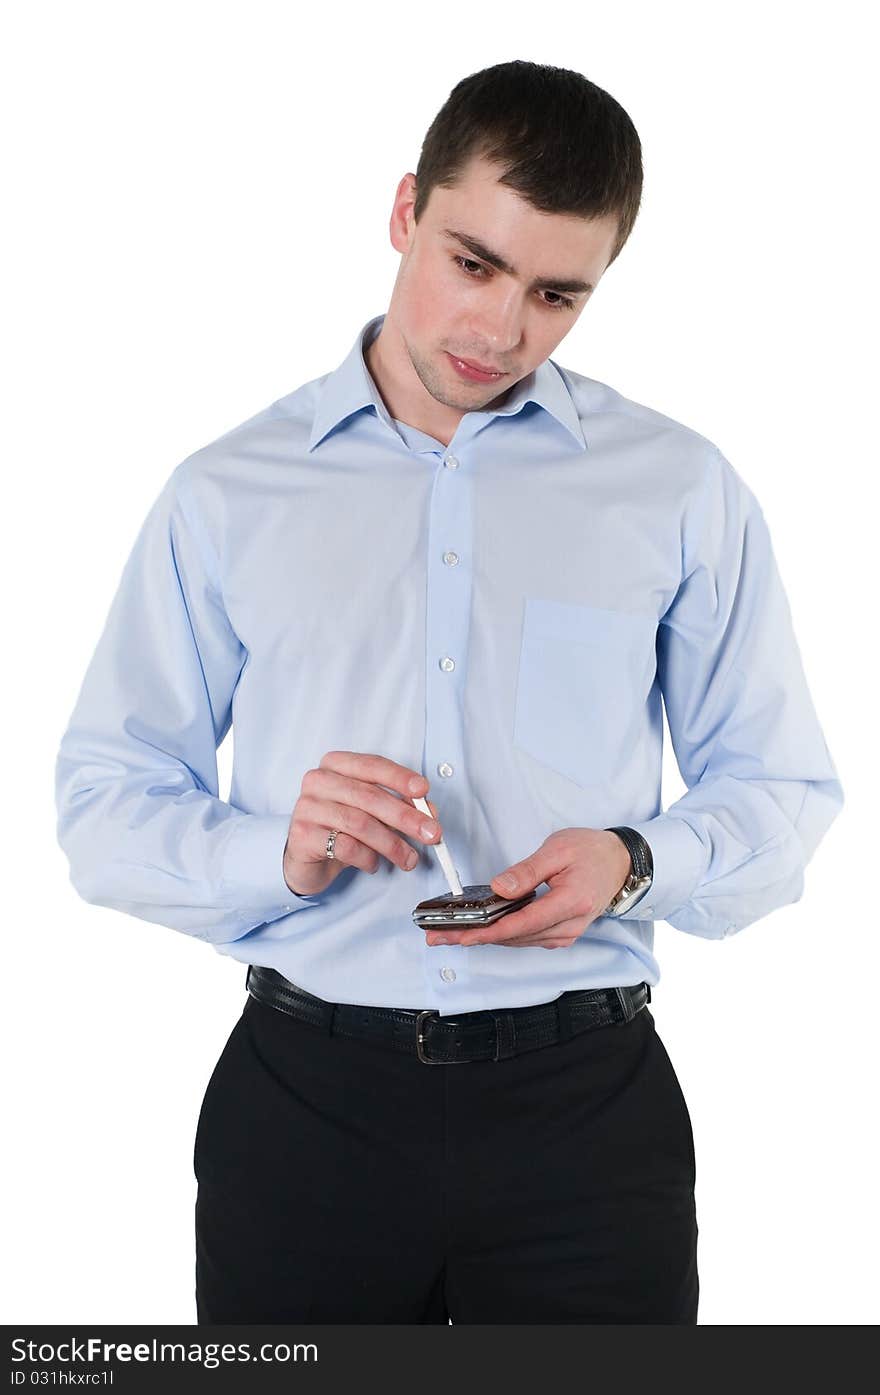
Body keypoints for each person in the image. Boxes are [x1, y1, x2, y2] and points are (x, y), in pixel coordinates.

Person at [54, 59, 844, 1325]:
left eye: (554, 295)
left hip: (587, 1119)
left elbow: (783, 787)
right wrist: (280, 853)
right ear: (405, 211)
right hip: (305, 1115)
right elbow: (101, 803)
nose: (498, 331)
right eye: (471, 263)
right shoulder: (226, 492)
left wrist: (632, 860)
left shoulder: (677, 487)